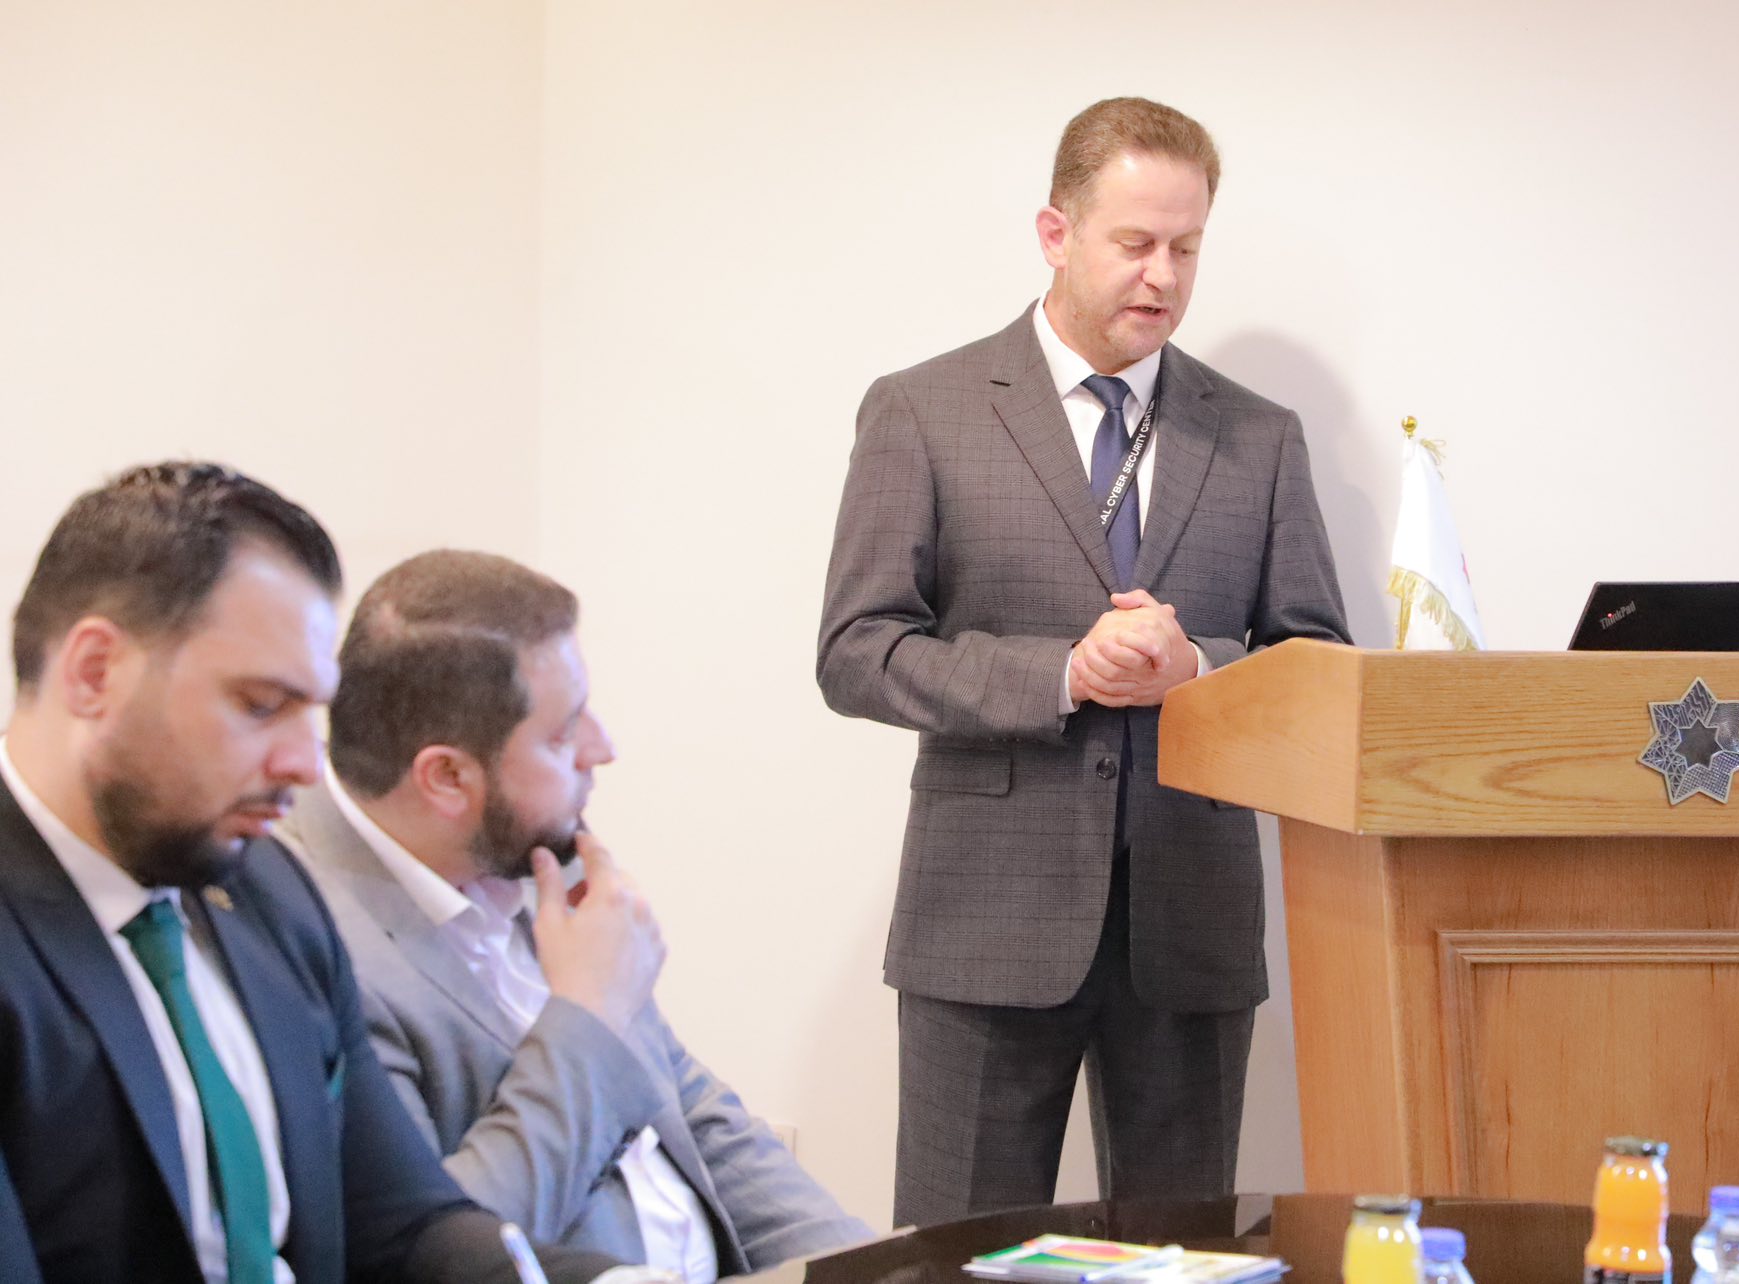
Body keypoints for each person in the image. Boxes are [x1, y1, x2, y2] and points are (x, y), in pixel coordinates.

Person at [816, 97, 1352, 1226]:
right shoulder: (923, 411)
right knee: (956, 1254)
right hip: (983, 922)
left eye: (1187, 247)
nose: (1163, 276)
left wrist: (1194, 666)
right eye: (1135, 242)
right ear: (1055, 234)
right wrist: (1062, 674)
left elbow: (1315, 663)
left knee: (1182, 1255)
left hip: (1190, 925)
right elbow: (857, 651)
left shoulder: (1260, 436)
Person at [0, 462, 627, 1283]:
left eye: (312, 710)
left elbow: (405, 1226)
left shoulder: (267, 893)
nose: (305, 763)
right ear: (95, 673)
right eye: (261, 705)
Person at [276, 550, 870, 1279]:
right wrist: (588, 1016)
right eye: (562, 735)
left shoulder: (520, 852)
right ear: (448, 777)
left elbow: (700, 1118)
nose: (603, 748)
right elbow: (437, 1252)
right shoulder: (309, 940)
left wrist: (875, 1270)